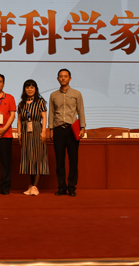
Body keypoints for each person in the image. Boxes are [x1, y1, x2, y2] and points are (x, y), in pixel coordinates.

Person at [48, 69, 86, 197]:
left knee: (73, 160)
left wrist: (82, 127)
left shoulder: (77, 94)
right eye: (61, 76)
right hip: (58, 129)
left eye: (65, 76)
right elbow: (51, 113)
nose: (63, 78)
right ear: (57, 79)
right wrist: (51, 129)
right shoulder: (53, 95)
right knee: (59, 160)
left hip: (72, 129)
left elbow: (81, 111)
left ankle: (72, 187)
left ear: (70, 78)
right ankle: (61, 187)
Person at [17, 79, 49, 196]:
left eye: (32, 87)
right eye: (27, 87)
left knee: (38, 157)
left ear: (35, 89)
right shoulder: (21, 104)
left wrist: (43, 131)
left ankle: (35, 186)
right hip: (25, 132)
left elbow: (44, 117)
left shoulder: (40, 101)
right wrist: (19, 134)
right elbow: (19, 120)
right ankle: (31, 186)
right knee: (29, 158)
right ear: (24, 89)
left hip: (37, 130)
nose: (29, 89)